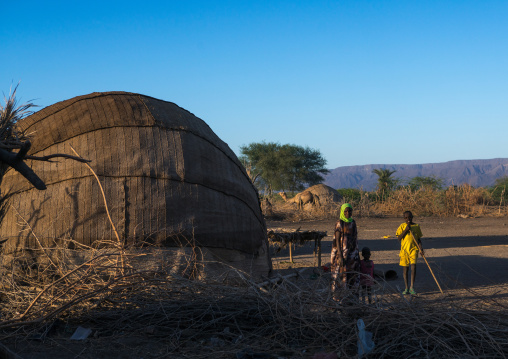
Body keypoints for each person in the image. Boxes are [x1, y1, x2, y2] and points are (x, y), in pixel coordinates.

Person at [331, 203, 360, 298]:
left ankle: (350, 297)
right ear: (342, 212)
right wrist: (340, 255)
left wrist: (356, 254)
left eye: (350, 211)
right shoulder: (339, 223)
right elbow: (337, 240)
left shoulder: (353, 222)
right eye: (346, 211)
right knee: (340, 274)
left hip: (352, 253)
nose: (348, 213)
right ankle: (338, 297)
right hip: (341, 253)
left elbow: (354, 238)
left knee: (351, 274)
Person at [396, 210, 424, 295]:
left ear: (412, 217)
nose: (408, 219)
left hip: (413, 250)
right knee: (405, 269)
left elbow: (418, 239)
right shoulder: (402, 226)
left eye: (410, 217)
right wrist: (405, 230)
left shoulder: (416, 226)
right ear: (404, 218)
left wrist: (421, 249)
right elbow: (399, 238)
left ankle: (412, 287)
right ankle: (406, 288)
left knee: (413, 267)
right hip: (404, 250)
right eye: (406, 218)